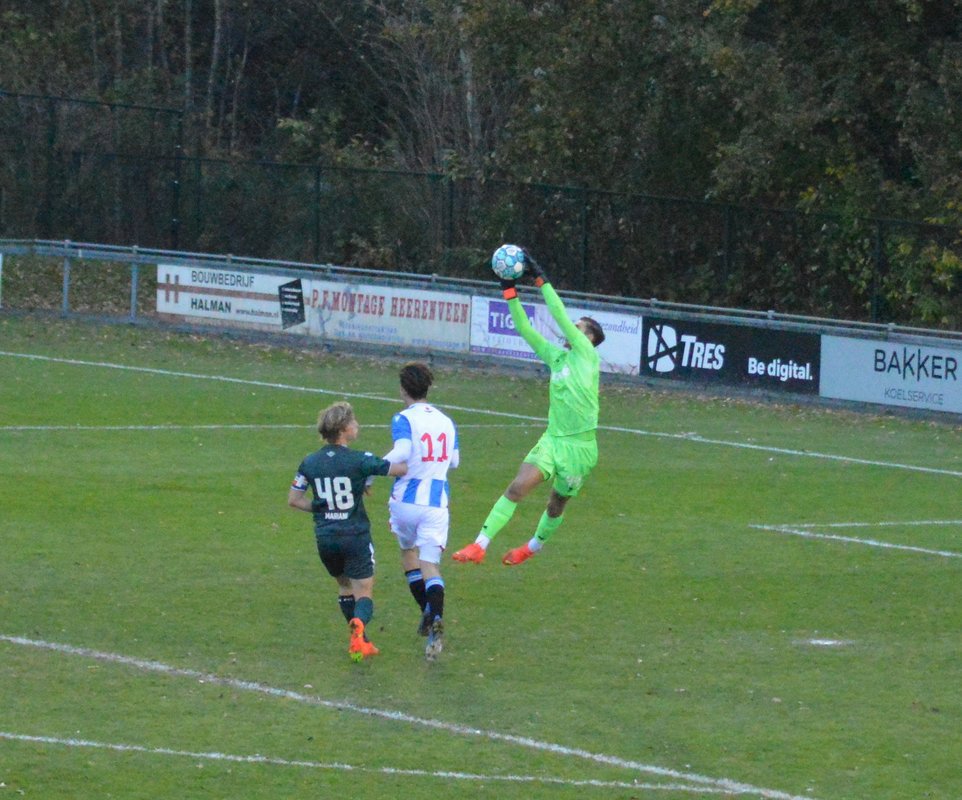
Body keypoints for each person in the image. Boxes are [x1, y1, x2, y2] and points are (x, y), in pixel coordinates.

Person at [452, 249, 605, 566]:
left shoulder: (587, 356)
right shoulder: (557, 357)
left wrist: (540, 277)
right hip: (553, 440)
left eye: (578, 327)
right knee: (518, 487)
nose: (571, 328)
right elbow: (524, 328)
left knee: (557, 503)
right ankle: (479, 545)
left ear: (589, 337)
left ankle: (531, 548)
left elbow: (558, 313)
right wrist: (508, 289)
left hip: (580, 449)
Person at [288, 401, 406, 662]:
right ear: (343, 430)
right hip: (355, 536)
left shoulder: (310, 462)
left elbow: (294, 500)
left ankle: (361, 641)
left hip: (326, 537)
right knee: (364, 591)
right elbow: (399, 469)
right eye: (353, 422)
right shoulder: (360, 460)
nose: (357, 425)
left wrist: (320, 508)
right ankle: (360, 626)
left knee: (344, 586)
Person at [381, 362, 460, 661]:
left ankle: (427, 611)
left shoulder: (403, 418)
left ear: (403, 389)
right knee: (431, 565)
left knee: (408, 554)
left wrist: (374, 469)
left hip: (406, 501)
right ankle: (435, 619)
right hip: (436, 504)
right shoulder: (447, 421)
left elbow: (402, 452)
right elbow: (454, 461)